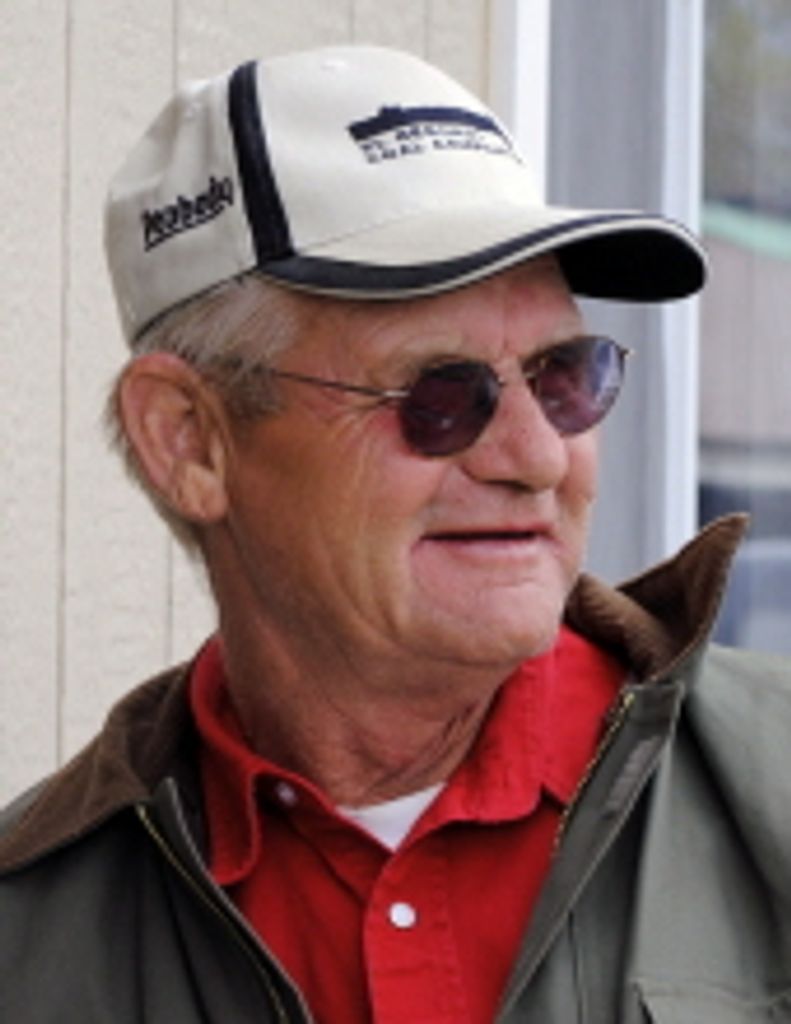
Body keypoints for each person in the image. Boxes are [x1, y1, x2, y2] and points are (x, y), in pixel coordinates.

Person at [1, 43, 789, 1024]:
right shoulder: (27, 942)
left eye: (564, 376)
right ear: (190, 440)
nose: (536, 456)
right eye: (439, 393)